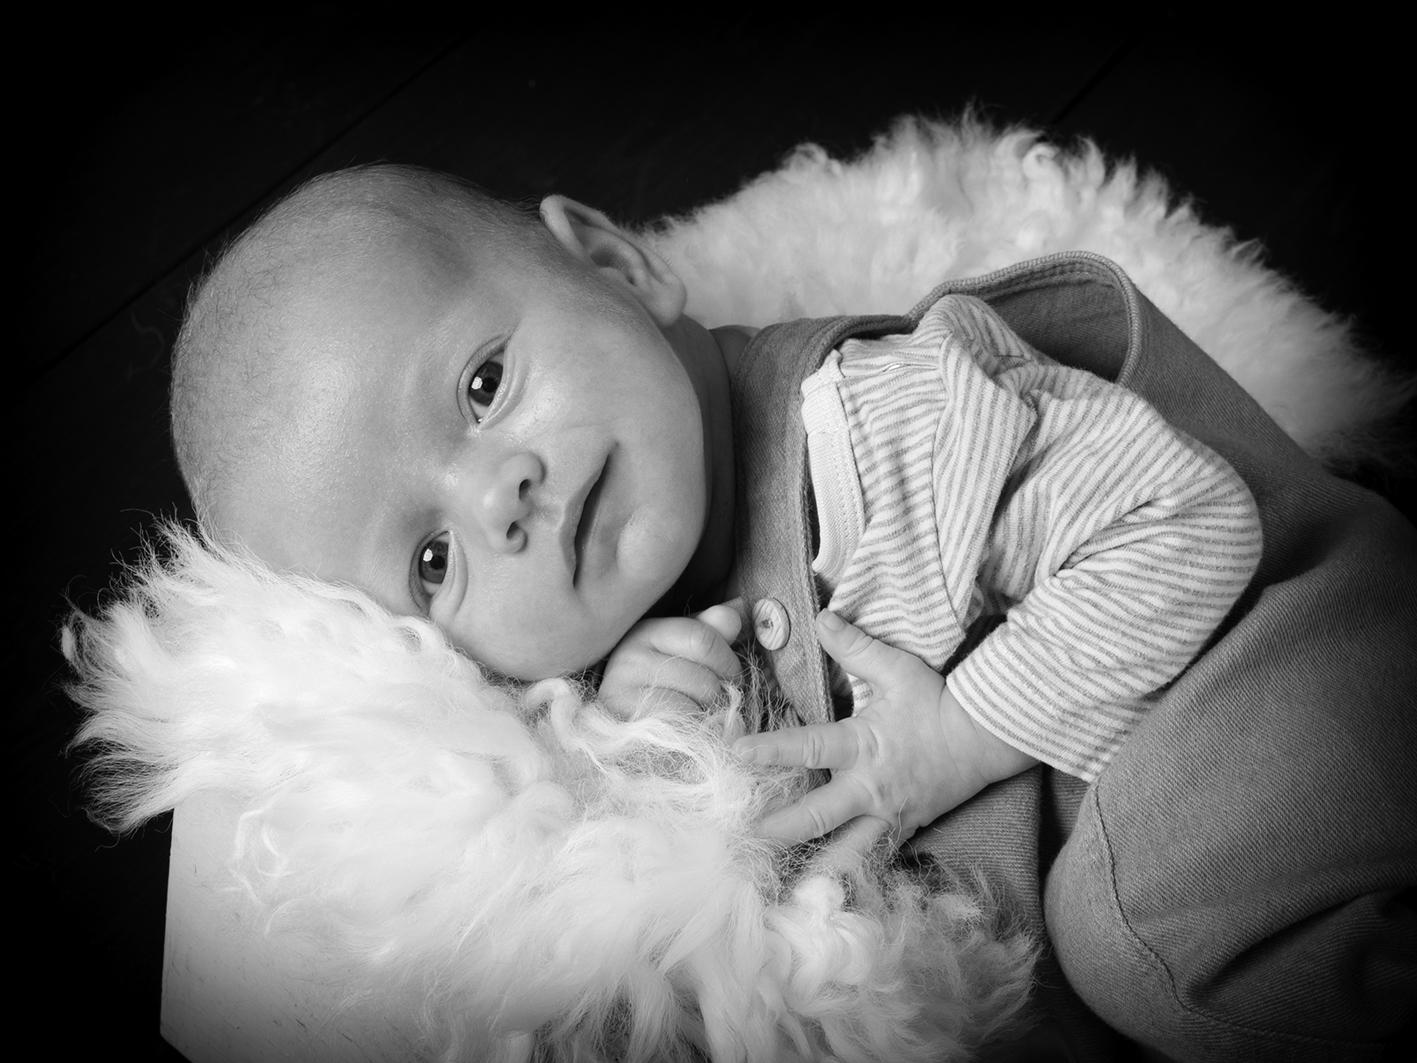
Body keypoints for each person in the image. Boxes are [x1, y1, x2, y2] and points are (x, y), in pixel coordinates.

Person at [172, 163, 1416, 1061]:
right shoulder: (640, 659)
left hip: (1283, 668)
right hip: (1115, 823)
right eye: (433, 559)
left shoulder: (879, 427)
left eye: (484, 384)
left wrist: (964, 730)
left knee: (1151, 935)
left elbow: (1183, 520)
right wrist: (654, 741)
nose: (501, 499)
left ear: (615, 264)